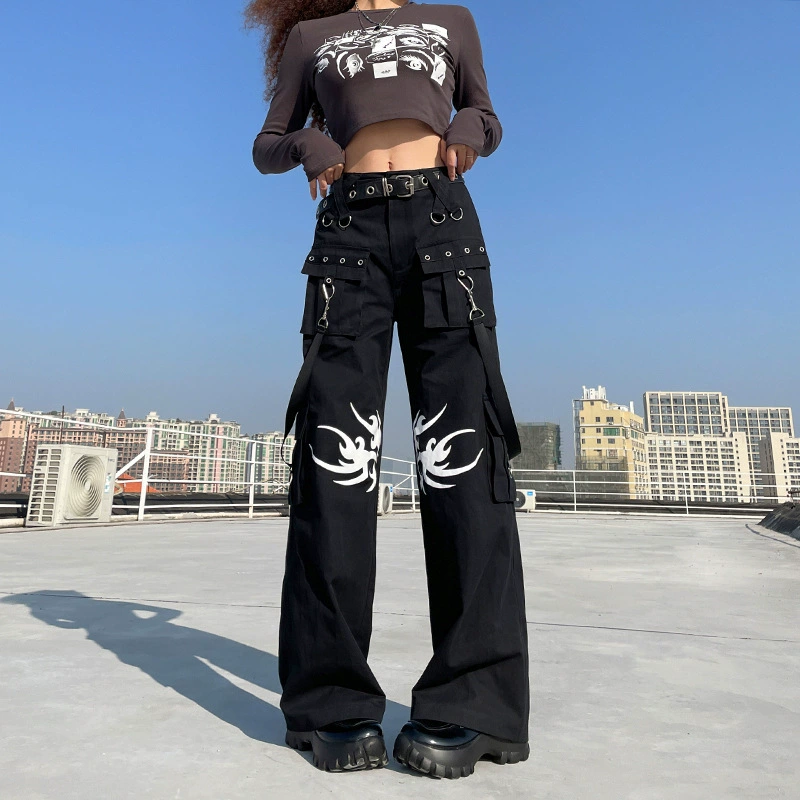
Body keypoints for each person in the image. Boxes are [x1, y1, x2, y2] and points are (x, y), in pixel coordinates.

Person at [246, 0, 530, 779]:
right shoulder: (311, 38)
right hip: (348, 241)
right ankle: (327, 702)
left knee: (463, 462)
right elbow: (267, 144)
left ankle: (481, 704)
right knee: (334, 466)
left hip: (444, 228)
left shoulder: (452, 21)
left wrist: (470, 128)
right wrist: (308, 142)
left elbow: (486, 115)